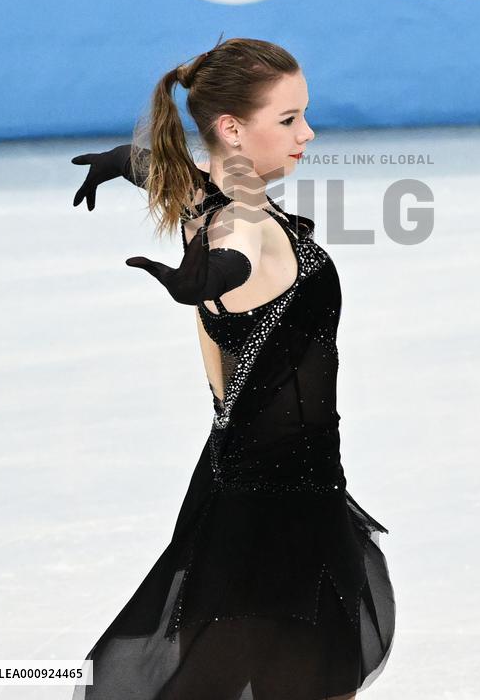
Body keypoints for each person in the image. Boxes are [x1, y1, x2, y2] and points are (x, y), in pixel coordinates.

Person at [69, 36, 395, 700]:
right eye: (288, 120)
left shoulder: (213, 194)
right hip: (279, 505)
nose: (308, 132)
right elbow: (239, 252)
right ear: (231, 127)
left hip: (247, 479)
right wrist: (212, 277)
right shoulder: (242, 227)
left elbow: (183, 183)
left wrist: (126, 161)